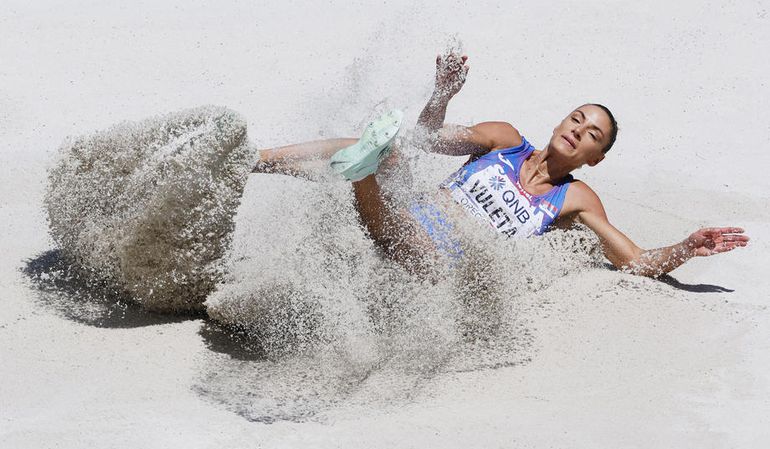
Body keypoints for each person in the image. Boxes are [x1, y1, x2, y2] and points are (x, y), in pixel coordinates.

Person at [253, 53, 749, 277]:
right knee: (393, 148)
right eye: (576, 119)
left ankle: (363, 173)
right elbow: (427, 136)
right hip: (408, 215)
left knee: (377, 168)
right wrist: (441, 95)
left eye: (590, 135)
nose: (577, 129)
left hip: (441, 258)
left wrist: (686, 248)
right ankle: (254, 159)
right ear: (561, 120)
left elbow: (634, 260)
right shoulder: (504, 139)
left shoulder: (575, 198)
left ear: (594, 159)